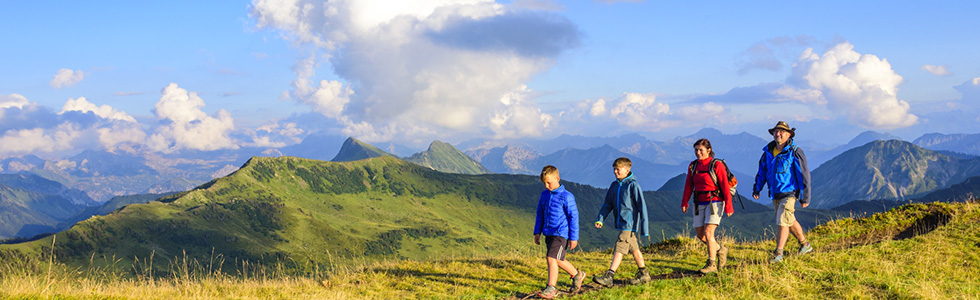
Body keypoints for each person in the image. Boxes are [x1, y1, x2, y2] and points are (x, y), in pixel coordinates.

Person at [752, 121, 814, 263]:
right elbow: (762, 171)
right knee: (789, 220)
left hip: (790, 192)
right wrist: (757, 188)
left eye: (781, 132)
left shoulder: (794, 151)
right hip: (775, 193)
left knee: (782, 222)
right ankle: (805, 244)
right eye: (776, 131)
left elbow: (804, 174)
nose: (778, 134)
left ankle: (778, 254)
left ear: (788, 134)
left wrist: (805, 196)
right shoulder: (768, 152)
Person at [592, 157, 650, 287]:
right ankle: (644, 273)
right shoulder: (614, 186)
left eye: (618, 169)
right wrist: (600, 219)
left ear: (627, 170)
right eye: (614, 169)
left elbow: (642, 206)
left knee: (620, 245)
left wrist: (644, 227)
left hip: (629, 223)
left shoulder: (633, 185)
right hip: (622, 222)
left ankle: (609, 276)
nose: (615, 172)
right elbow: (607, 204)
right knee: (634, 247)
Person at [681, 138, 733, 274]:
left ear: (708, 150)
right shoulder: (693, 166)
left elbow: (724, 186)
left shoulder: (716, 165)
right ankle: (720, 250)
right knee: (700, 234)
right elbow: (688, 185)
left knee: (709, 232)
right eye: (696, 150)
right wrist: (684, 201)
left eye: (701, 150)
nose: (698, 153)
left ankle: (711, 263)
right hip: (698, 202)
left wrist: (729, 205)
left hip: (714, 201)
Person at [533, 165, 586, 299]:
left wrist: (574, 237)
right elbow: (540, 214)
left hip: (561, 234)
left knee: (552, 258)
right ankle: (577, 275)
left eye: (549, 182)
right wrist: (537, 232)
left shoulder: (567, 196)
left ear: (557, 178)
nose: (546, 186)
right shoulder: (544, 195)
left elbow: (573, 217)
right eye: (544, 183)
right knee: (558, 259)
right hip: (548, 233)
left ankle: (551, 288)